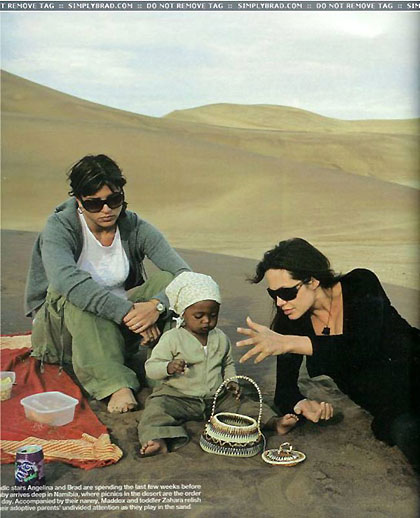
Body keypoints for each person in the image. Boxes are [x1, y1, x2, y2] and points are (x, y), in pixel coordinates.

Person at [25, 154, 190, 413]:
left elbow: (185, 275)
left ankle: (160, 372)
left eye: (114, 200)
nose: (107, 209)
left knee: (168, 281)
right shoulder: (59, 227)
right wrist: (129, 313)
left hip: (121, 328)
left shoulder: (133, 226)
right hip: (66, 332)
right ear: (78, 201)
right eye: (95, 203)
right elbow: (66, 280)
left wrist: (156, 306)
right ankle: (115, 384)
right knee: (76, 291)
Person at [236, 238, 420, 469]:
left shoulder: (361, 284)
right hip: (393, 409)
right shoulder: (291, 323)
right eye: (273, 295)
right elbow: (285, 391)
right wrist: (302, 403)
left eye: (287, 292)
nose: (280, 302)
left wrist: (291, 343)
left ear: (312, 280)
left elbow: (363, 348)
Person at [138, 272, 298, 456]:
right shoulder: (172, 338)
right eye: (199, 315)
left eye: (213, 315)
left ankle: (274, 422)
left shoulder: (220, 338)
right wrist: (168, 367)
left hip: (218, 398)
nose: (206, 320)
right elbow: (151, 367)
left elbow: (227, 363)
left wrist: (231, 382)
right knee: (155, 409)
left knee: (247, 405)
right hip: (179, 397)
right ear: (183, 313)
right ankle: (158, 439)